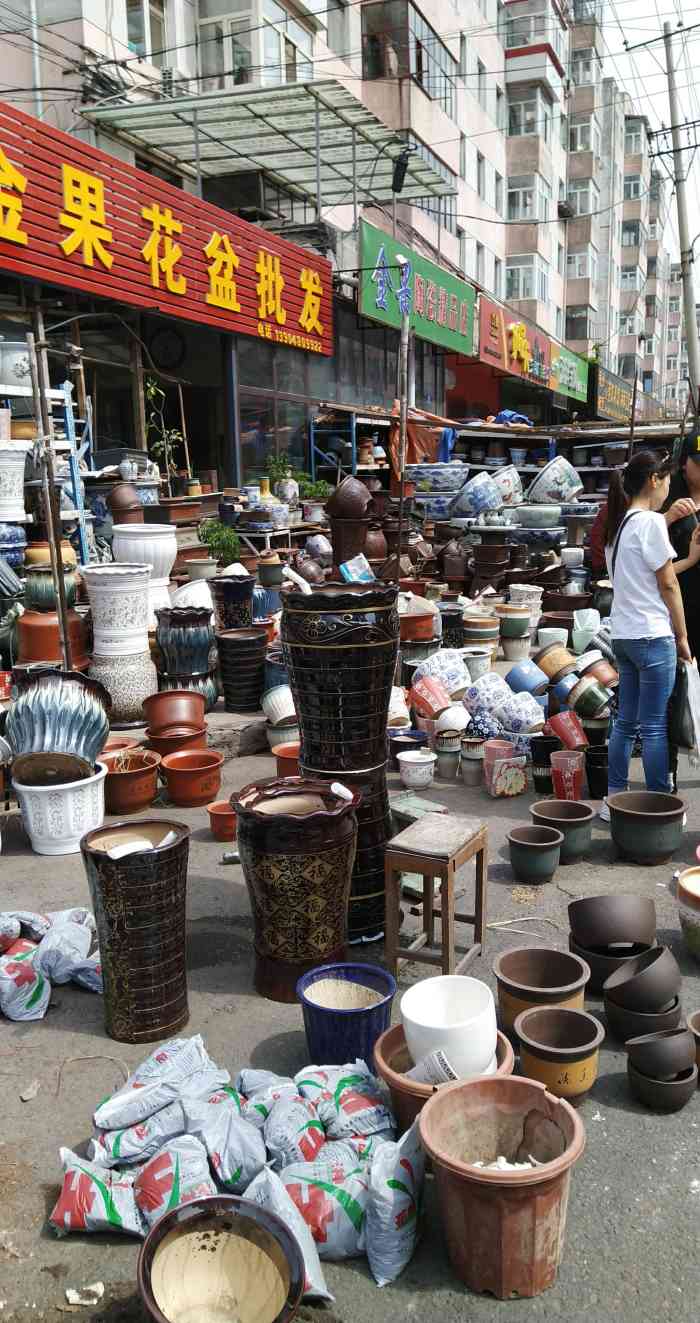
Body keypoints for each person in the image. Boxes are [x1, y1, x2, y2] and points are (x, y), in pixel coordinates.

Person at [601, 449, 700, 821]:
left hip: (624, 636)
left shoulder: (618, 526)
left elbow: (645, 575)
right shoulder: (651, 523)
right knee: (655, 725)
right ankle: (660, 806)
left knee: (625, 722)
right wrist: (684, 637)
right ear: (654, 480)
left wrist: (689, 558)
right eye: (668, 482)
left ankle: (614, 800)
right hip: (653, 637)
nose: (668, 490)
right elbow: (668, 585)